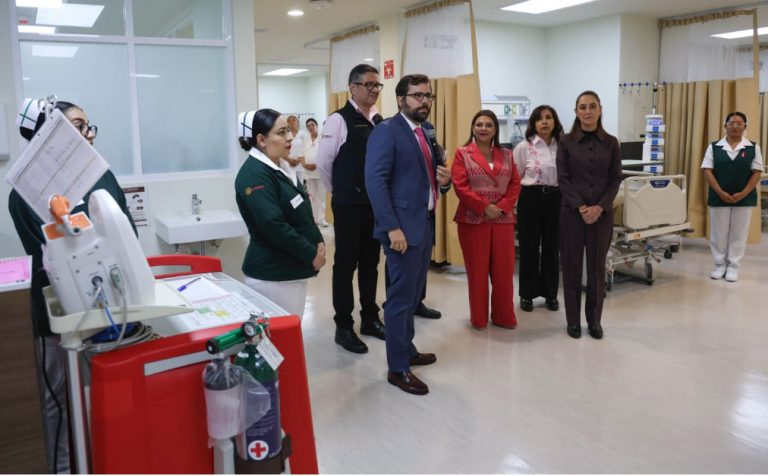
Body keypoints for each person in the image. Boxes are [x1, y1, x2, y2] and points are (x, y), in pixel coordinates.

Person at [9, 98, 137, 474]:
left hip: (112, 310)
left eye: (88, 126)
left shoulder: (101, 176)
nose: (89, 134)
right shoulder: (25, 195)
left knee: (109, 395)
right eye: (78, 126)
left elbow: (126, 230)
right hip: (59, 319)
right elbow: (57, 257)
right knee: (60, 403)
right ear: (50, 135)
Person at [365, 74, 451, 396]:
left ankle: (407, 349)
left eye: (428, 96)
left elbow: (430, 177)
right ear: (401, 99)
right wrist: (391, 227)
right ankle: (398, 368)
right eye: (417, 96)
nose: (424, 101)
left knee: (413, 297)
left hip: (424, 224)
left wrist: (445, 182)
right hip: (401, 229)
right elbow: (375, 181)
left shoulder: (426, 131)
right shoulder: (387, 131)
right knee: (400, 301)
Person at [316, 64, 385, 354]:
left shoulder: (379, 120)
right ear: (352, 87)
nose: (374, 90)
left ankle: (369, 317)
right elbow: (324, 163)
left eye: (377, 85)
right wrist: (342, 191)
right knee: (345, 266)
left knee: (371, 263)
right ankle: (343, 326)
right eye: (368, 84)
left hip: (374, 205)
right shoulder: (338, 120)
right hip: (348, 206)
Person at [235, 109, 326, 318]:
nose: (290, 137)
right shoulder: (255, 174)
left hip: (291, 269)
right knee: (280, 335)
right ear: (261, 140)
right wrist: (310, 254)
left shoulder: (282, 167)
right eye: (282, 132)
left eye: (289, 131)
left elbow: (301, 210)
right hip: (273, 275)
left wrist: (317, 239)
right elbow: (272, 225)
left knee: (290, 331)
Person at [556, 90, 622, 340]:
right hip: (572, 215)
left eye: (592, 106)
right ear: (576, 112)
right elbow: (563, 178)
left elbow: (615, 179)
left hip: (601, 216)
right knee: (571, 268)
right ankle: (573, 321)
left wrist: (600, 207)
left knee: (596, 269)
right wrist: (581, 207)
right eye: (582, 107)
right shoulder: (566, 142)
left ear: (600, 109)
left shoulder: (612, 143)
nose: (588, 111)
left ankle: (594, 320)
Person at [452, 110, 521, 330]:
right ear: (472, 128)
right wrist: (484, 207)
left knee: (504, 272)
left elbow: (515, 184)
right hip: (473, 221)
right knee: (478, 272)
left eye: (489, 125)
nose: (483, 128)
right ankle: (479, 318)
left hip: (503, 219)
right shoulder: (462, 153)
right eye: (479, 124)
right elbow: (460, 186)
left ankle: (503, 316)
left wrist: (501, 207)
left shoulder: (507, 154)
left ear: (495, 129)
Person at [701, 112, 764, 282]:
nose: (735, 126)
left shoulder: (753, 147)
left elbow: (757, 172)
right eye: (731, 122)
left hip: (744, 197)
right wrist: (720, 192)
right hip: (718, 196)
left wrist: (743, 193)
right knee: (718, 233)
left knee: (739, 233)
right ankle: (719, 265)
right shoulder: (714, 147)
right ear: (725, 126)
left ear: (745, 126)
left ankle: (733, 267)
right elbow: (707, 170)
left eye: (739, 123)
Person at [513, 105, 564, 312]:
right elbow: (515, 177)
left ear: (555, 122)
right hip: (530, 198)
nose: (544, 122)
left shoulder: (563, 146)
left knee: (552, 248)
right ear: (533, 123)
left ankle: (551, 294)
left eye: (548, 117)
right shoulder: (523, 147)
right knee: (529, 247)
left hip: (556, 198)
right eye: (539, 118)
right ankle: (527, 294)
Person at [298, 118, 328, 227]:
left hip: (319, 171)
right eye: (308, 126)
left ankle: (322, 219)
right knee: (312, 196)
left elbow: (325, 154)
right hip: (308, 172)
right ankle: (314, 219)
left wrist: (316, 165)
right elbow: (301, 154)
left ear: (316, 125)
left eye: (312, 124)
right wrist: (304, 165)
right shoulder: (305, 139)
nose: (310, 127)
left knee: (321, 196)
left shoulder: (323, 138)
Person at [285, 114, 307, 185]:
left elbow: (306, 149)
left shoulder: (303, 134)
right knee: (291, 184)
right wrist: (289, 160)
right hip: (289, 163)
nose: (291, 122)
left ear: (297, 122)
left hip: (300, 163)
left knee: (300, 184)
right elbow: (283, 149)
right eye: (289, 121)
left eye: (293, 120)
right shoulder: (286, 135)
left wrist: (298, 160)